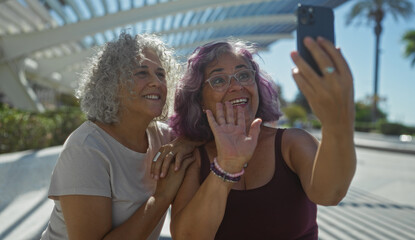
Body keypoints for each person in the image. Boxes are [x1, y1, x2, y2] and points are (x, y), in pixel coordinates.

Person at [169, 37, 356, 239]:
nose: (236, 86)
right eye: (218, 80)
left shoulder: (292, 143)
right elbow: (187, 237)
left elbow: (330, 194)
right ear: (199, 100)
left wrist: (337, 124)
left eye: (244, 75)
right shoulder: (193, 158)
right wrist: (227, 166)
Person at [41, 32, 195, 240]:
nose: (156, 82)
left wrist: (186, 142)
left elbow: (207, 134)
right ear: (111, 84)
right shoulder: (86, 149)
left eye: (161, 74)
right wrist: (161, 196)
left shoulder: (164, 137)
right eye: (142, 73)